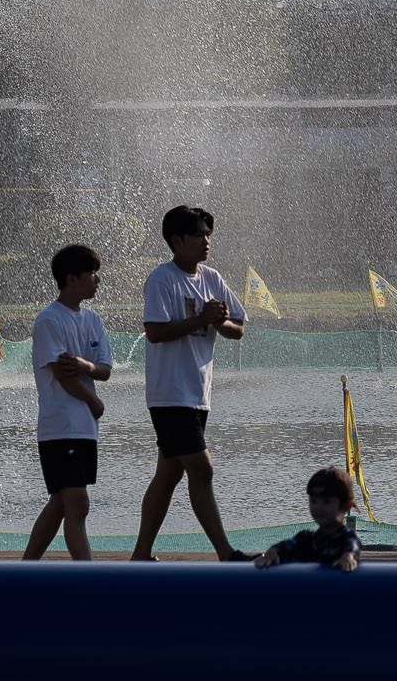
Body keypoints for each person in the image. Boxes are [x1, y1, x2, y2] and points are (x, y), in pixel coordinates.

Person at [131, 205, 249, 562]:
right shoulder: (162, 279)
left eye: (208, 235)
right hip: (169, 394)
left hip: (198, 394)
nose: (206, 241)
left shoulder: (212, 278)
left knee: (168, 474)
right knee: (202, 468)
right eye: (198, 235)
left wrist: (217, 322)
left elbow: (237, 329)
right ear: (176, 241)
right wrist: (202, 317)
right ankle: (226, 552)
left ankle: (140, 554)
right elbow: (155, 332)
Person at [22, 244, 113, 560]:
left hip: (84, 429)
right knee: (77, 503)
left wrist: (87, 367)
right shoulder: (49, 319)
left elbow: (104, 369)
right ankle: (87, 576)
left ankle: (25, 568)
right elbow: (62, 372)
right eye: (91, 273)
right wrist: (93, 401)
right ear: (72, 278)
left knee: (62, 502)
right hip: (59, 426)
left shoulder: (93, 320)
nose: (97, 280)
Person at [254, 467, 362, 571]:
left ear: (347, 506)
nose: (319, 507)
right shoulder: (307, 539)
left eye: (327, 502)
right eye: (314, 501)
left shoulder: (347, 538)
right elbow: (286, 546)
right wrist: (272, 552)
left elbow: (353, 546)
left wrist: (349, 556)